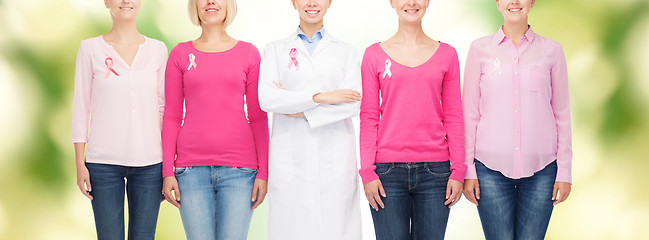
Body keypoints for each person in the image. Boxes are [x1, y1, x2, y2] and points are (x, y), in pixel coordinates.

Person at [462, 0, 573, 239]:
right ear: (497, 3)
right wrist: (468, 168)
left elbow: (562, 114)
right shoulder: (479, 49)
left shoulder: (552, 51)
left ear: (532, 2)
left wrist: (564, 171)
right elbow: (470, 114)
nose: (514, 2)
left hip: (542, 171)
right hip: (488, 171)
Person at [161, 0, 269, 239]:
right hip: (190, 172)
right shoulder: (180, 54)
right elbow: (171, 116)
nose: (211, 1)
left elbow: (258, 117)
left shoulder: (249, 53)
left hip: (241, 172)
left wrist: (264, 173)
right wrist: (167, 171)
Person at [359, 0, 466, 239]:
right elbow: (368, 117)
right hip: (386, 174)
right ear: (392, 3)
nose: (411, 3)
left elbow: (454, 116)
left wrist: (458, 171)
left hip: (436, 173)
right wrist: (367, 172)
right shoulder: (373, 55)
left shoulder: (447, 54)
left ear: (427, 2)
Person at [257, 0, 362, 239]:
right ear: (293, 2)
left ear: (329, 2)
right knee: (292, 228)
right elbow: (268, 99)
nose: (312, 3)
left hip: (334, 157)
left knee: (336, 228)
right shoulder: (275, 49)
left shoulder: (346, 51)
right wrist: (322, 97)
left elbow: (353, 102)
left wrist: (301, 109)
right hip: (291, 158)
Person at [72, 0, 168, 239]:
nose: (126, 1)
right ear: (106, 2)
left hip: (150, 164)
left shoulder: (158, 50)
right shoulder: (90, 49)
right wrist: (79, 163)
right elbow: (81, 108)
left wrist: (167, 168)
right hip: (102, 164)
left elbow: (163, 108)